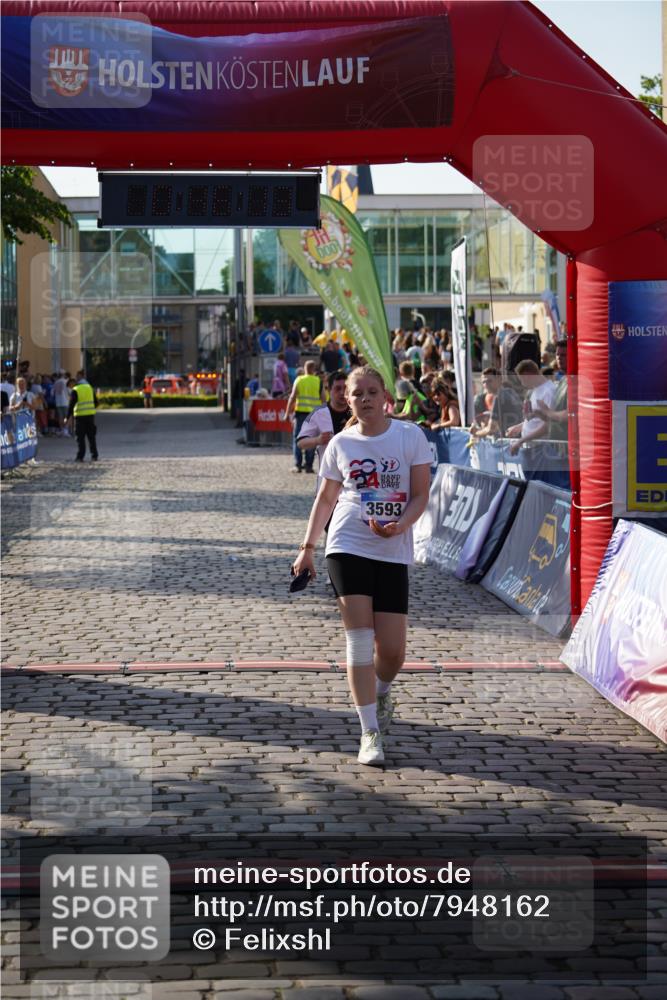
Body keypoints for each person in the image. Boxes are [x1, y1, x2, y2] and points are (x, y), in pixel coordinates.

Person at [291, 366, 432, 766]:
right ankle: (369, 733)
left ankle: (382, 691)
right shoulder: (341, 443)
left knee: (393, 651)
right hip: (347, 545)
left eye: (372, 391)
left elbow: (421, 494)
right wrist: (308, 548)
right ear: (347, 400)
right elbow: (325, 500)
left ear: (386, 396)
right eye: (358, 394)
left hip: (392, 547)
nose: (366, 399)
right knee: (359, 639)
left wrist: (400, 525)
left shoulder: (410, 437)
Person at [296, 370, 350, 481]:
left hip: (355, 480)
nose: (342, 392)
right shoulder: (318, 413)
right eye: (337, 388)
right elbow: (300, 443)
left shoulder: (357, 412)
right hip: (328, 478)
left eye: (345, 388)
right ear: (329, 390)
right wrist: (317, 440)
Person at [506, 359, 556, 456]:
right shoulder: (536, 390)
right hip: (533, 449)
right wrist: (519, 427)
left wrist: (520, 441)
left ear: (527, 375)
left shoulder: (549, 391)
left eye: (521, 379)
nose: (521, 383)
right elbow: (536, 419)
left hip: (541, 450)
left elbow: (548, 426)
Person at [283, 359, 323, 473]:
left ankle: (298, 465)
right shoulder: (318, 381)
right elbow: (324, 399)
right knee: (311, 439)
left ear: (305, 369)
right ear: (313, 369)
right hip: (314, 416)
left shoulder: (299, 380)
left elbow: (292, 397)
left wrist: (287, 413)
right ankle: (309, 466)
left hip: (300, 414)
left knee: (298, 439)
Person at [470, 368, 523, 439]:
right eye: (483, 382)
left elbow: (491, 429)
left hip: (509, 443)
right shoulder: (510, 392)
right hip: (514, 441)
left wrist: (476, 433)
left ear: (499, 379)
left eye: (489, 381)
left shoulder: (500, 397)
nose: (486, 385)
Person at [67, 370, 99, 462]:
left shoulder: (76, 390)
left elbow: (71, 404)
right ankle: (94, 455)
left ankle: (80, 456)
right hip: (90, 416)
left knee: (80, 438)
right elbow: (96, 402)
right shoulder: (89, 387)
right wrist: (91, 409)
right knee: (91, 437)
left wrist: (67, 416)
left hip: (80, 417)